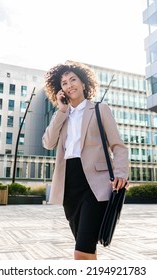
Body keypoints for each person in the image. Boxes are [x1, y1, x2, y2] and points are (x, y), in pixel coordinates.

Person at [42, 61, 129, 260]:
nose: (69, 85)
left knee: (81, 252)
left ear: (83, 83)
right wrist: (61, 110)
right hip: (69, 185)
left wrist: (121, 174)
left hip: (95, 185)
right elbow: (48, 143)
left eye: (73, 79)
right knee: (88, 250)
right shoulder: (62, 115)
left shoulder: (99, 109)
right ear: (60, 89)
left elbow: (118, 146)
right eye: (64, 83)